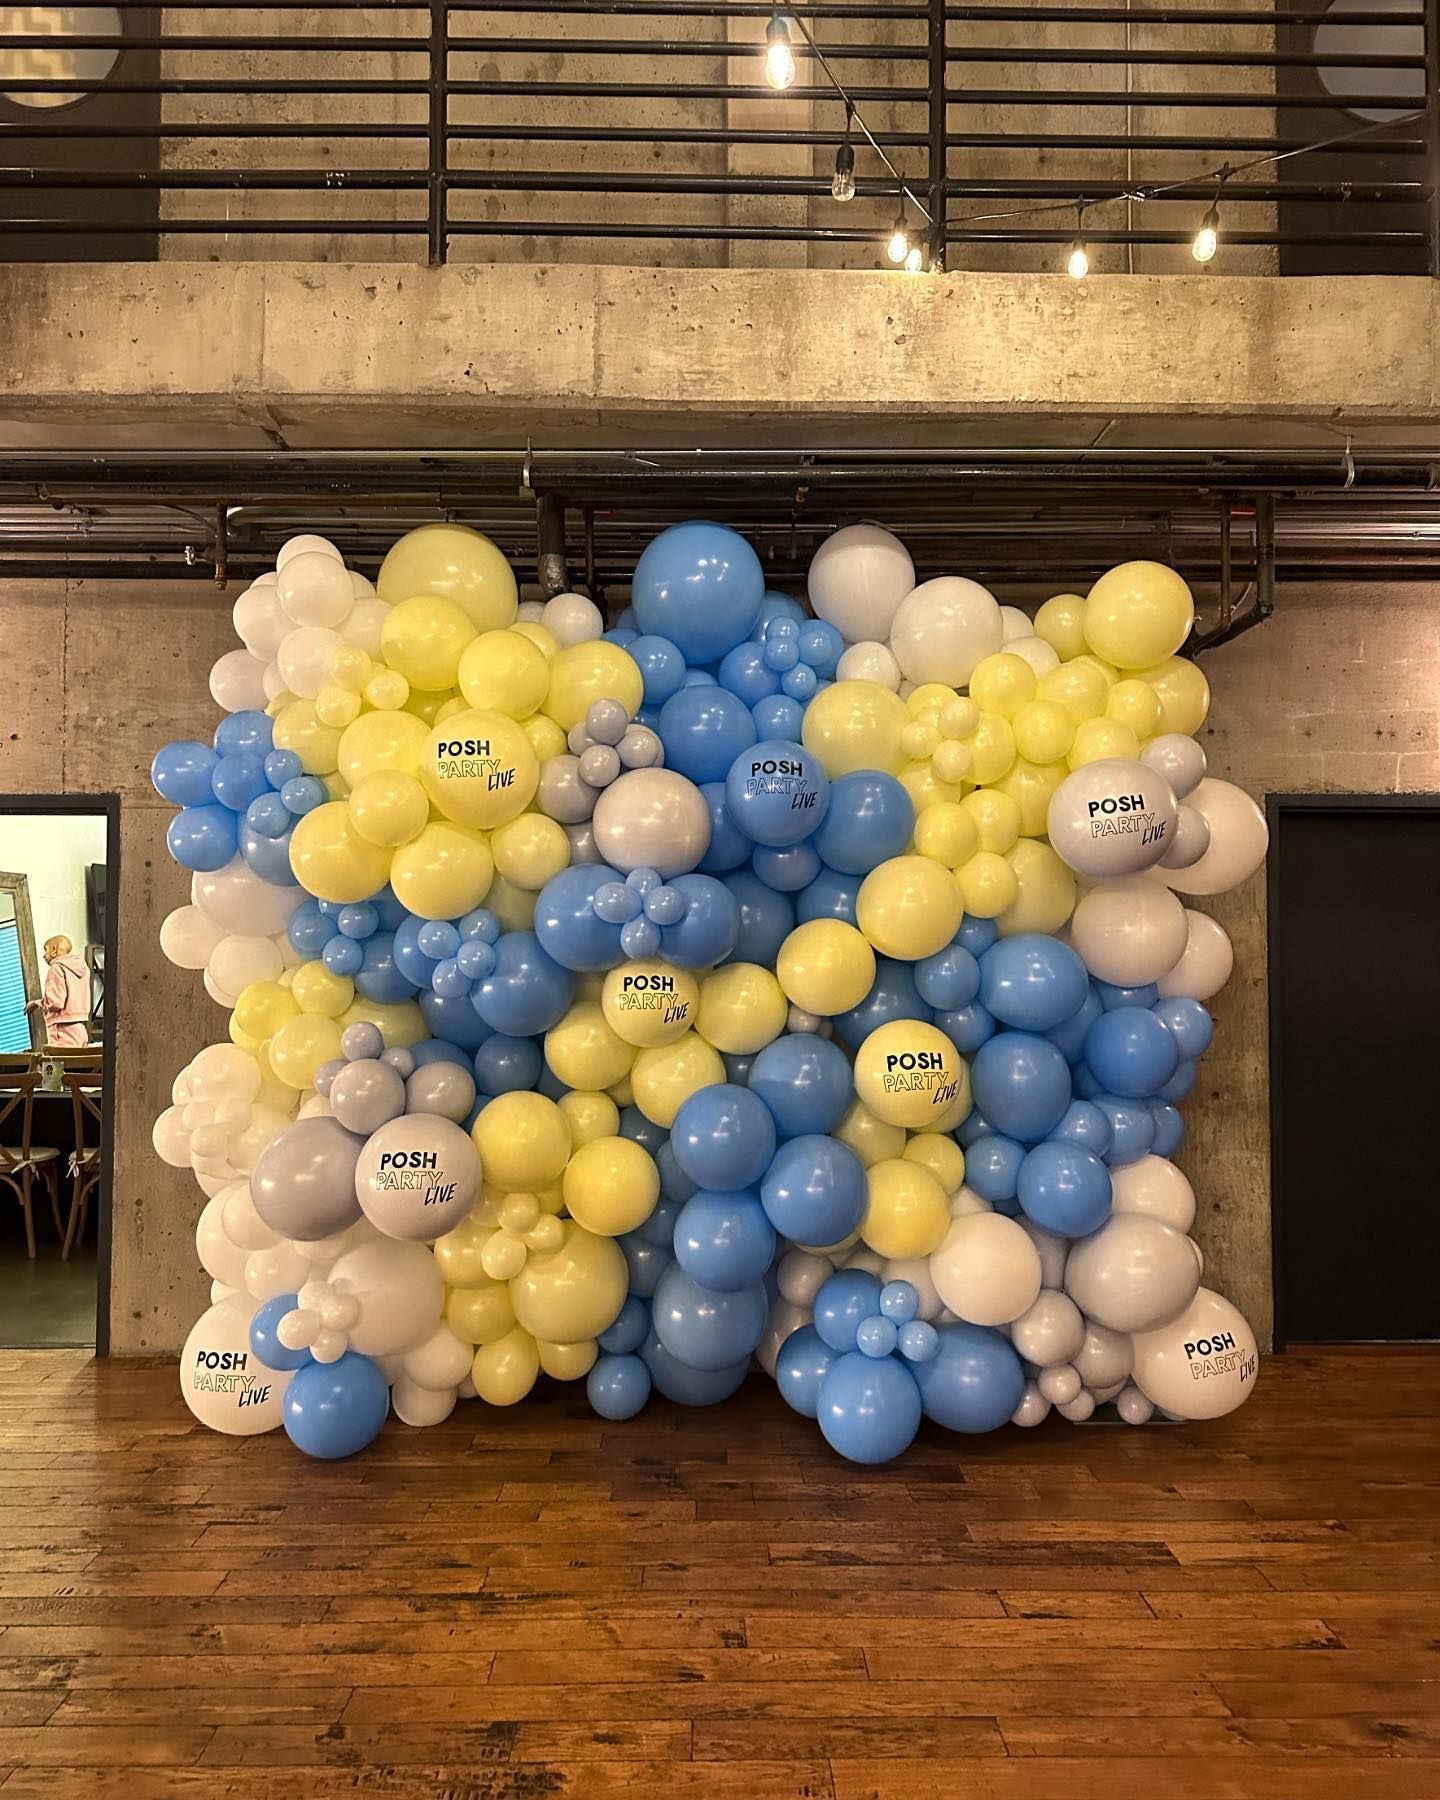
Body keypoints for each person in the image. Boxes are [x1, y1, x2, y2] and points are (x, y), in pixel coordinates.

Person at [27, 935, 91, 1048]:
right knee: (79, 1065)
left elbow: (55, 1002)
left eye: (45, 950)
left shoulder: (56, 968)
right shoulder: (83, 968)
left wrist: (37, 1003)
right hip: (80, 1030)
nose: (43, 955)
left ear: (54, 950)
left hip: (62, 1032)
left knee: (58, 1065)